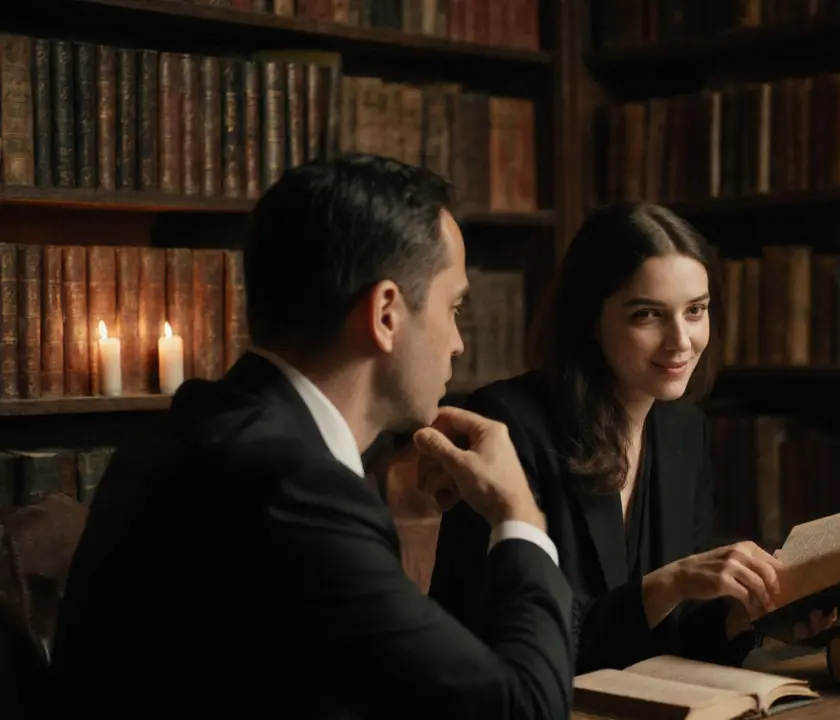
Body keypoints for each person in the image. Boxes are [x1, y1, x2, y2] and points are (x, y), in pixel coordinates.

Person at [50, 156, 574, 719]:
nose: (457, 344)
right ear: (386, 314)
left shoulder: (193, 426)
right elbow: (526, 710)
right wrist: (517, 512)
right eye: (454, 308)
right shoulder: (290, 485)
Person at [429, 201, 836, 674]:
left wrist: (742, 619)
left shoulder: (683, 431)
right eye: (648, 315)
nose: (681, 340)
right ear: (590, 321)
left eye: (696, 311)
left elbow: (675, 635)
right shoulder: (506, 424)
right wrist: (669, 583)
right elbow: (521, 642)